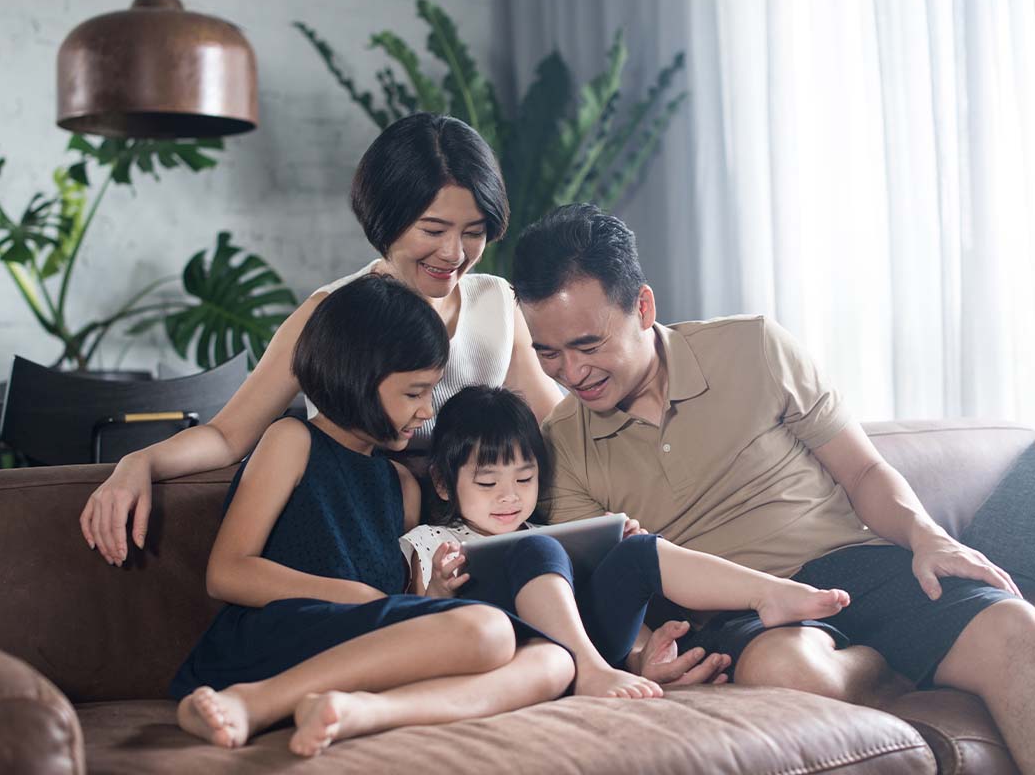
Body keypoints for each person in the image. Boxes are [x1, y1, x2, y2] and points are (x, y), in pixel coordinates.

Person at [509, 203, 1035, 774]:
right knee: (788, 672)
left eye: (588, 345)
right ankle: (896, 663)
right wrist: (644, 652)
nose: (571, 372)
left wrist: (927, 535)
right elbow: (606, 579)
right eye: (548, 353)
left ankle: (896, 653)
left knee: (1015, 628)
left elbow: (861, 471)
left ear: (642, 306)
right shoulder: (560, 445)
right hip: (738, 610)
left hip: (852, 563)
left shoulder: (753, 347)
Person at [80, 113, 561, 567]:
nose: (454, 253)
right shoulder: (333, 315)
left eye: (474, 233)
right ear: (385, 220)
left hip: (484, 532)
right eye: (432, 230)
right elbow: (228, 435)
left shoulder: (496, 303)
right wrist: (138, 461)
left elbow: (557, 430)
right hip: (369, 528)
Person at [171, 275, 573, 758]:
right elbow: (227, 572)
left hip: (361, 643)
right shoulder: (291, 442)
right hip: (279, 634)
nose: (427, 411)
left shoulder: (400, 484)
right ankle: (252, 701)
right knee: (488, 631)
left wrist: (433, 595)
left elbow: (400, 603)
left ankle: (354, 710)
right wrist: (356, 597)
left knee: (552, 660)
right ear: (358, 380)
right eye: (414, 393)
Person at [401, 385, 852, 699]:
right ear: (442, 482)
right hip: (514, 650)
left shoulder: (544, 533)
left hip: (593, 648)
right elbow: (408, 625)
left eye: (524, 478)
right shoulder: (430, 541)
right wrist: (439, 590)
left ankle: (768, 593)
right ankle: (590, 672)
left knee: (633, 547)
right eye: (486, 482)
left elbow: (607, 614)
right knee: (536, 551)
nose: (509, 496)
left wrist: (642, 659)